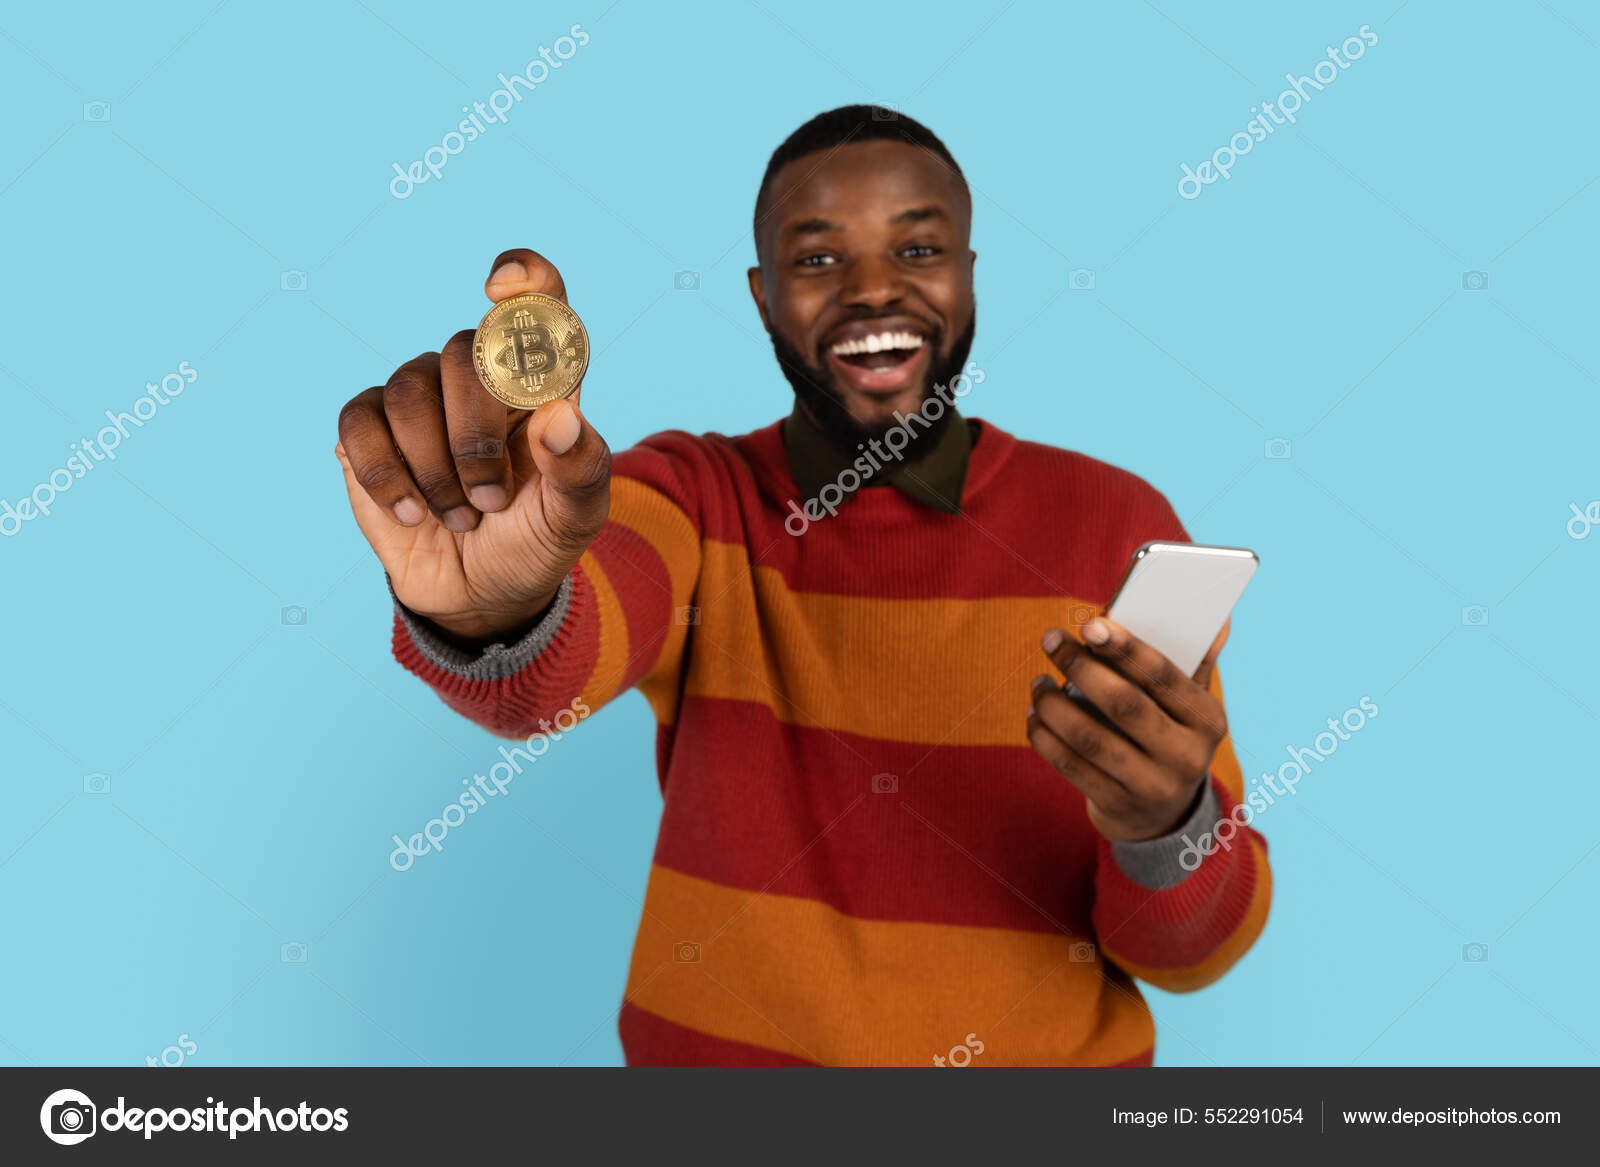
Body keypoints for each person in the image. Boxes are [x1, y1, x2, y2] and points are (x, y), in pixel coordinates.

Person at [335, 105, 1270, 1066]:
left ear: (972, 275)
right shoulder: (697, 500)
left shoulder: (1117, 524)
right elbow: (557, 663)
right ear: (761, 295)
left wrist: (1166, 822)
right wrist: (496, 603)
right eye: (819, 259)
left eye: (919, 247)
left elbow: (1193, 953)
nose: (873, 290)